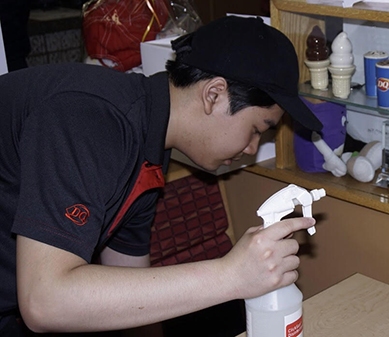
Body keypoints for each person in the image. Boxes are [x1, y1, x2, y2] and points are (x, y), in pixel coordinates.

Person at [0, 15, 323, 335]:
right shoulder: (89, 117)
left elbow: (130, 287)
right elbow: (46, 302)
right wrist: (231, 275)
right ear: (214, 94)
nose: (252, 148)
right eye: (257, 129)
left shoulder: (148, 148)